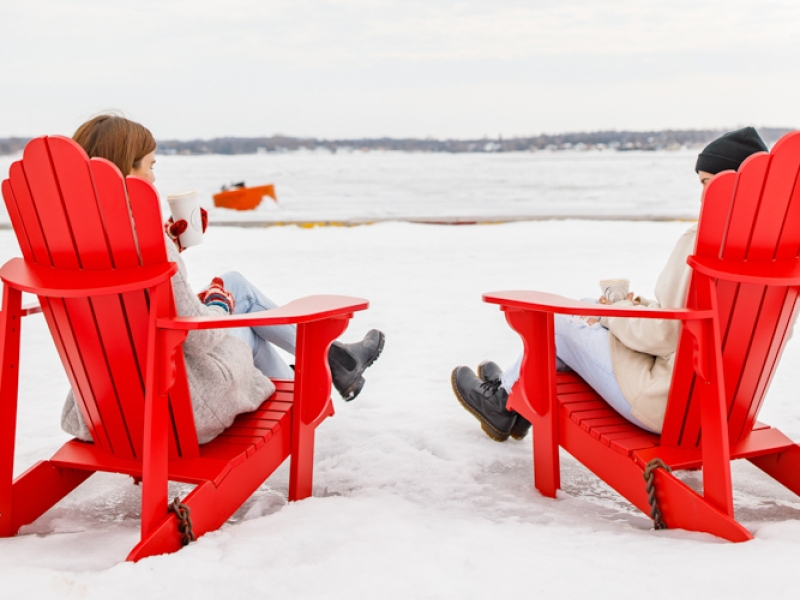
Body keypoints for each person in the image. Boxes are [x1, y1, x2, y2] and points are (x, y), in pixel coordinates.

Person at [61, 114, 384, 444]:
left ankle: (329, 364)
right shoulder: (145, 242)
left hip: (103, 401)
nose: (154, 178)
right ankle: (316, 383)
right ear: (127, 169)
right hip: (173, 403)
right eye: (150, 165)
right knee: (243, 319)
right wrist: (218, 304)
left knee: (234, 285)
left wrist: (171, 245)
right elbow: (197, 337)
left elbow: (128, 298)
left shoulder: (67, 237)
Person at [451, 127, 769, 442]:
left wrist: (613, 313)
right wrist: (630, 309)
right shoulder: (772, 250)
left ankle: (503, 401)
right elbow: (695, 317)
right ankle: (515, 398)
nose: (703, 196)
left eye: (709, 183)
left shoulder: (702, 240)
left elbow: (663, 334)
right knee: (587, 313)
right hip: (727, 406)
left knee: (560, 322)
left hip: (668, 403)